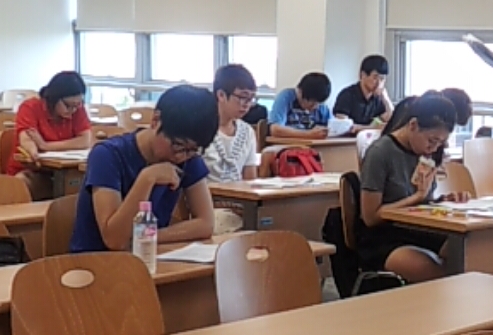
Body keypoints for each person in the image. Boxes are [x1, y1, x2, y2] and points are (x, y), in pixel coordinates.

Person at [70, 85, 219, 253]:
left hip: (146, 254)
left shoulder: (188, 157)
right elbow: (115, 240)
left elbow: (206, 223)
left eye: (193, 150)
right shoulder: (107, 155)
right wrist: (147, 179)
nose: (181, 157)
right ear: (155, 120)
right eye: (178, 145)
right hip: (95, 260)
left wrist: (149, 235)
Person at [357, 95, 470, 283]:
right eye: (432, 140)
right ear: (413, 125)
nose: (434, 148)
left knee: (466, 250)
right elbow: (370, 217)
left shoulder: (425, 153)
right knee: (445, 277)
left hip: (418, 229)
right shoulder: (380, 152)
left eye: (440, 143)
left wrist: (443, 201)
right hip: (384, 237)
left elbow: (423, 202)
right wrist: (418, 196)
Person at [7, 71, 92, 200]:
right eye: (68, 105)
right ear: (54, 97)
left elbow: (85, 140)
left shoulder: (77, 109)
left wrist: (46, 146)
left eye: (77, 105)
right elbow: (27, 140)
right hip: (35, 171)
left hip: (66, 172)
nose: (73, 110)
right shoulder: (30, 107)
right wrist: (34, 150)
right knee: (23, 182)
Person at [202, 65, 259, 234]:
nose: (246, 105)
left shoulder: (247, 132)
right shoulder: (201, 129)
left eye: (251, 99)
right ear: (221, 95)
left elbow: (250, 180)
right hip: (207, 205)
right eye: (241, 97)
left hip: (240, 204)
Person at [333, 55, 394, 131]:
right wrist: (372, 127)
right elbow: (343, 126)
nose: (379, 83)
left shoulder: (379, 98)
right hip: (349, 138)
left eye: (382, 79)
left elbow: (391, 117)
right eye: (375, 77)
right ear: (363, 75)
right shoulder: (346, 95)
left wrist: (386, 99)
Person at [268, 72, 332, 139]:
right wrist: (308, 134)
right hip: (288, 143)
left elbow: (333, 127)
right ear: (300, 92)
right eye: (312, 102)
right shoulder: (285, 97)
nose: (316, 107)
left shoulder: (321, 107)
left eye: (319, 103)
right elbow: (275, 130)